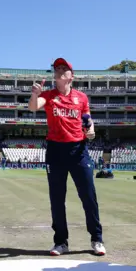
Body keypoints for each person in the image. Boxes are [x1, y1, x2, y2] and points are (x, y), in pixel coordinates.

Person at [29, 58, 105, 256]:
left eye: (64, 68)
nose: (60, 71)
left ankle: (97, 239)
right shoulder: (48, 95)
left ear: (72, 75)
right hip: (55, 151)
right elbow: (33, 107)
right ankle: (61, 242)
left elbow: (88, 120)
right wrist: (35, 94)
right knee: (57, 198)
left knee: (88, 196)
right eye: (57, 69)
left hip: (79, 150)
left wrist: (92, 131)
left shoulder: (82, 97)